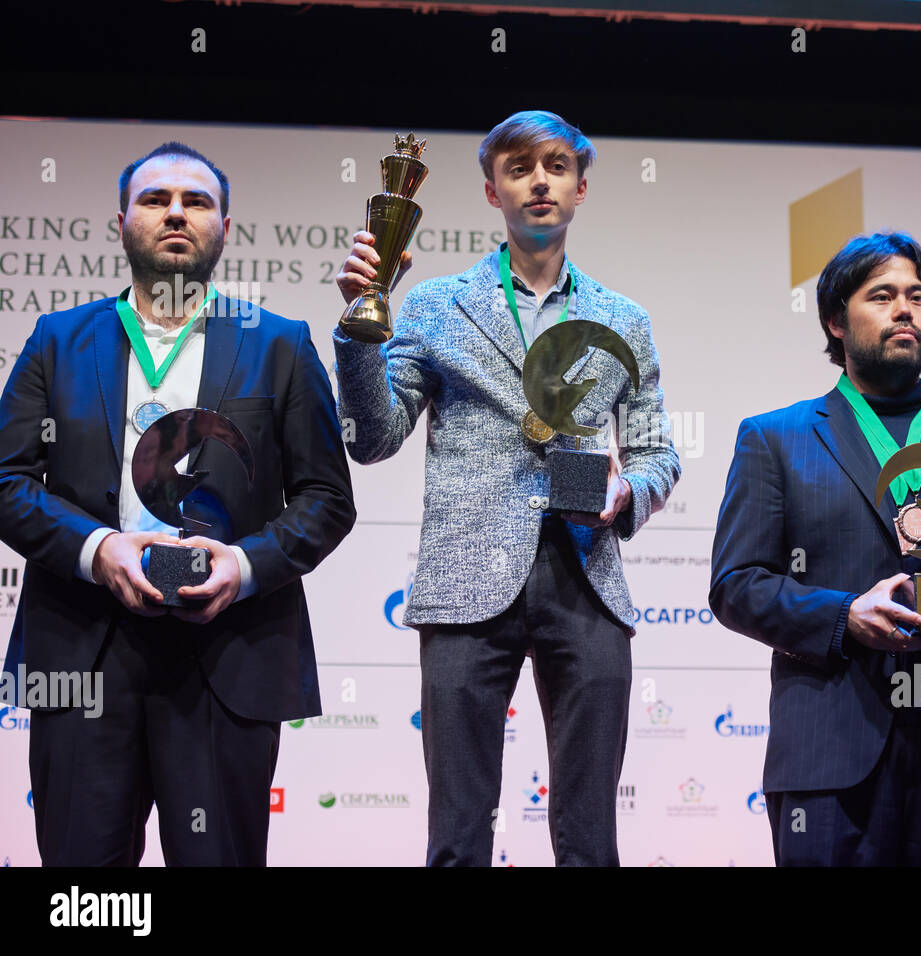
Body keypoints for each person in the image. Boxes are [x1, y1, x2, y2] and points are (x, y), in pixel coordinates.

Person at [333, 110, 679, 866]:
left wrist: (628, 495)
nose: (540, 181)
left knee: (591, 838)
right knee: (458, 834)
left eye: (556, 166)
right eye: (519, 168)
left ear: (582, 187)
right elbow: (373, 439)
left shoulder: (625, 318)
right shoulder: (431, 304)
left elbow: (657, 454)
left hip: (585, 577)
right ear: (493, 192)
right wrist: (361, 329)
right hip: (465, 584)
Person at [0, 142, 356, 865]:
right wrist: (99, 550)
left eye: (196, 202)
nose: (175, 213)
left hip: (228, 651)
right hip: (84, 652)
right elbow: (6, 480)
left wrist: (245, 565)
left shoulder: (280, 346)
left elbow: (326, 498)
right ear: (121, 222)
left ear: (224, 228)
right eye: (156, 198)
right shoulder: (58, 341)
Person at [709, 231, 921, 866]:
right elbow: (736, 584)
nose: (905, 310)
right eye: (883, 295)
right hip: (831, 751)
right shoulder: (775, 439)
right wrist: (844, 617)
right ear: (836, 321)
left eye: (919, 297)